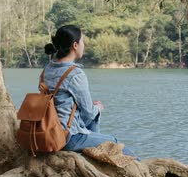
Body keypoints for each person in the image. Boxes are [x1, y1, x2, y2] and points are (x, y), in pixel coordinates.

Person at [43, 25, 138, 158]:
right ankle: (143, 168)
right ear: (75, 45)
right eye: (82, 41)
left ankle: (95, 153)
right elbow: (88, 111)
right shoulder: (75, 73)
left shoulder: (47, 69)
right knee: (113, 142)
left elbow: (59, 101)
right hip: (67, 136)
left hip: (48, 130)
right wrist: (98, 108)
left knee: (93, 117)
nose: (84, 45)